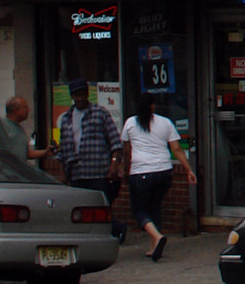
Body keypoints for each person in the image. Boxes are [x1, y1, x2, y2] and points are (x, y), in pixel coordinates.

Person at [118, 95, 193, 261]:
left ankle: (157, 238)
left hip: (141, 172)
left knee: (139, 210)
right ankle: (154, 246)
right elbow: (177, 149)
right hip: (164, 172)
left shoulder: (130, 123)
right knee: (155, 207)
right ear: (152, 106)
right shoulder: (165, 122)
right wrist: (189, 170)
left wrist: (124, 169)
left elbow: (126, 150)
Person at [56, 80, 123, 203]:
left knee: (101, 209)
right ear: (72, 96)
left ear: (87, 95)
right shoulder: (66, 118)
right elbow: (63, 150)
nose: (80, 98)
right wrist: (62, 173)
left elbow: (116, 143)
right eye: (77, 95)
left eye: (83, 95)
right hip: (76, 175)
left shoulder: (100, 113)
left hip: (99, 174)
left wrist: (114, 165)